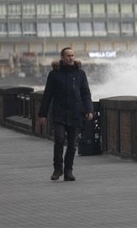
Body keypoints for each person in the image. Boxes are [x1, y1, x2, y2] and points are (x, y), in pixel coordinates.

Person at [38, 47, 93, 182]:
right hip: (59, 114)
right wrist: (42, 115)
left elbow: (86, 93)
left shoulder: (80, 74)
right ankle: (57, 169)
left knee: (72, 144)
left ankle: (68, 171)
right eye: (68, 56)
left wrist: (89, 110)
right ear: (62, 57)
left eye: (73, 55)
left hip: (76, 113)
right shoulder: (54, 74)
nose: (71, 58)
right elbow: (47, 95)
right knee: (59, 140)